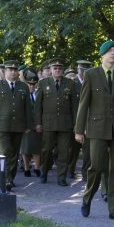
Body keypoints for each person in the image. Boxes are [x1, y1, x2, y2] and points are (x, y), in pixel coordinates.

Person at [75, 41, 114, 221]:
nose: (113, 54)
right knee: (96, 167)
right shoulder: (91, 75)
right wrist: (79, 130)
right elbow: (83, 104)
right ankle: (87, 199)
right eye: (109, 52)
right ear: (102, 55)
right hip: (97, 129)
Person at [0, 60, 32, 191]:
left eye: (15, 70)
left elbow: (28, 108)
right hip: (2, 126)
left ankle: (10, 179)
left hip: (18, 126)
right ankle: (4, 179)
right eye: (10, 70)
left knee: (14, 154)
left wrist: (29, 124)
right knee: (5, 151)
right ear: (5, 71)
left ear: (18, 72)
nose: (13, 72)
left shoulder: (23, 86)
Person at [35, 58, 77, 186]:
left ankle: (61, 177)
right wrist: (38, 123)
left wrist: (76, 123)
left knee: (63, 151)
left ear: (62, 70)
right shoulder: (43, 83)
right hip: (48, 123)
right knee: (46, 150)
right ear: (51, 70)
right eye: (55, 68)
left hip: (65, 124)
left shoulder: (70, 83)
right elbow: (38, 106)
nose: (57, 70)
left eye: (59, 68)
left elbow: (74, 106)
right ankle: (44, 172)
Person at [20, 68, 41, 177]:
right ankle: (27, 168)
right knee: (26, 148)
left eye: (33, 84)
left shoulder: (39, 94)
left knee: (37, 148)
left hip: (37, 125)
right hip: (26, 125)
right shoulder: (23, 95)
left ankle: (37, 168)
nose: (32, 86)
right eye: (29, 84)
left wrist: (40, 123)